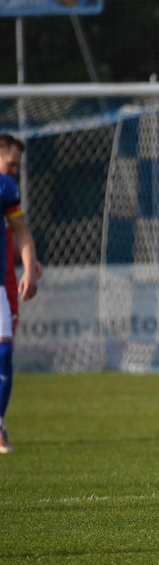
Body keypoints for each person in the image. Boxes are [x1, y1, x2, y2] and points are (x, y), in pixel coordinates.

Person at [0, 134, 41, 454]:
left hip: (1, 284)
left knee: (3, 354)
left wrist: (28, 267)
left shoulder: (6, 188)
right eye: (10, 163)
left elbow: (22, 232)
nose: (13, 170)